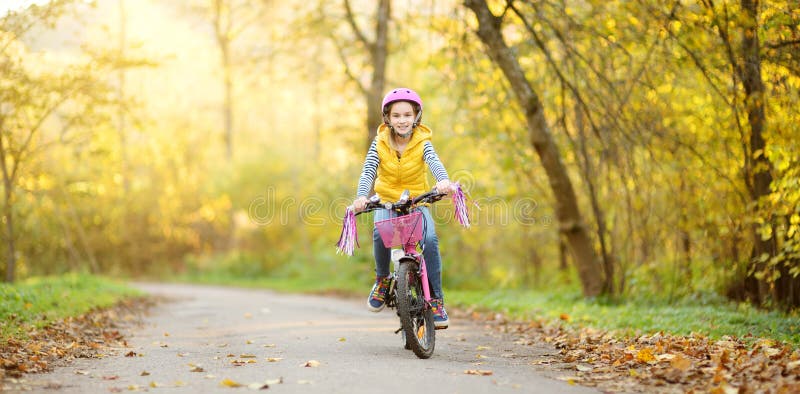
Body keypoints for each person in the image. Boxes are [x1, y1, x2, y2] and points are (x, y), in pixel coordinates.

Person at [352, 88, 453, 329]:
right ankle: (382, 280)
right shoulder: (379, 143)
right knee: (380, 233)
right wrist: (361, 196)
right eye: (396, 115)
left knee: (429, 239)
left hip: (417, 200)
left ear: (417, 116)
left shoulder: (423, 142)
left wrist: (443, 181)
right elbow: (368, 171)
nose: (402, 120)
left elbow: (434, 163)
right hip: (386, 199)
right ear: (387, 118)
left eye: (407, 114)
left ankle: (436, 299)